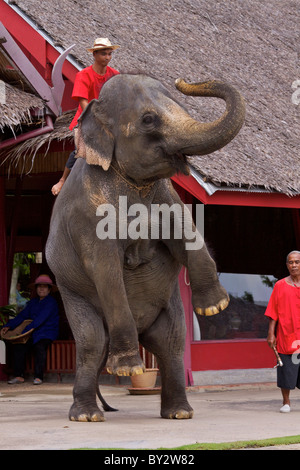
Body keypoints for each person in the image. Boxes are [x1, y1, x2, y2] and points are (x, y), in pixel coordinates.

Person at [51, 37, 120, 196]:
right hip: (87, 117)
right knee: (80, 149)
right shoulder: (84, 75)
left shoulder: (114, 75)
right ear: (95, 54)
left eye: (110, 54)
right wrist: (97, 120)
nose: (108, 57)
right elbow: (83, 102)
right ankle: (62, 180)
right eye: (104, 54)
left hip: (108, 119)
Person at [1, 275, 59, 385]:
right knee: (19, 346)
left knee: (39, 346)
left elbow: (40, 320)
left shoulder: (51, 302)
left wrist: (23, 332)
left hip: (46, 332)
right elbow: (22, 316)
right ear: (36, 289)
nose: (41, 289)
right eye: (39, 287)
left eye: (44, 287)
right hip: (32, 332)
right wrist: (9, 326)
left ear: (49, 289)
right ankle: (19, 376)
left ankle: (38, 377)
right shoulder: (32, 302)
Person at [265, 250, 300, 413]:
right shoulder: (280, 285)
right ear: (287, 265)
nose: (294, 265)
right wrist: (271, 333)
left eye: (297, 262)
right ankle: (286, 402)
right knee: (285, 368)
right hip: (286, 334)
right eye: (291, 262)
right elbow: (273, 312)